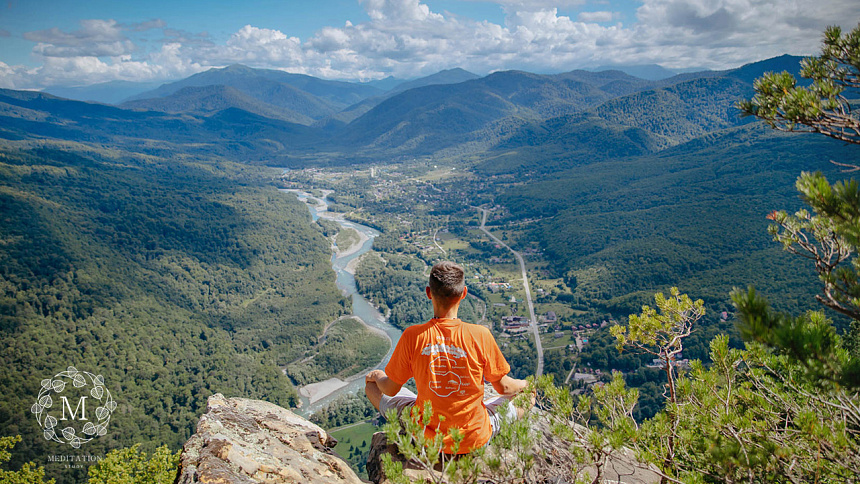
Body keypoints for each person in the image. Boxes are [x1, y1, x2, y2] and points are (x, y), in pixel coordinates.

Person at [365, 261, 531, 455]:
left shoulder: (413, 336)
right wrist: (526, 385)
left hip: (426, 439)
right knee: (528, 397)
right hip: (474, 439)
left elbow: (390, 389)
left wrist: (377, 376)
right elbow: (504, 388)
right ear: (464, 293)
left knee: (371, 387)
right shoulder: (480, 335)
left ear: (428, 293)